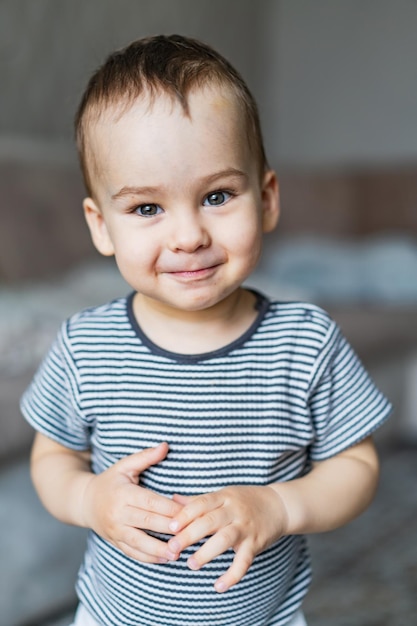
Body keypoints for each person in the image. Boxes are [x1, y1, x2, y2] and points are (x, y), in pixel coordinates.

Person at [21, 34, 392, 626]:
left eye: (217, 195)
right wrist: (89, 498)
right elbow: (52, 458)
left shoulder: (304, 341)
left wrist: (278, 505)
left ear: (266, 199)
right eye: (147, 209)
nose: (188, 235)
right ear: (102, 226)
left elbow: (358, 468)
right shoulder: (85, 346)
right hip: (114, 615)